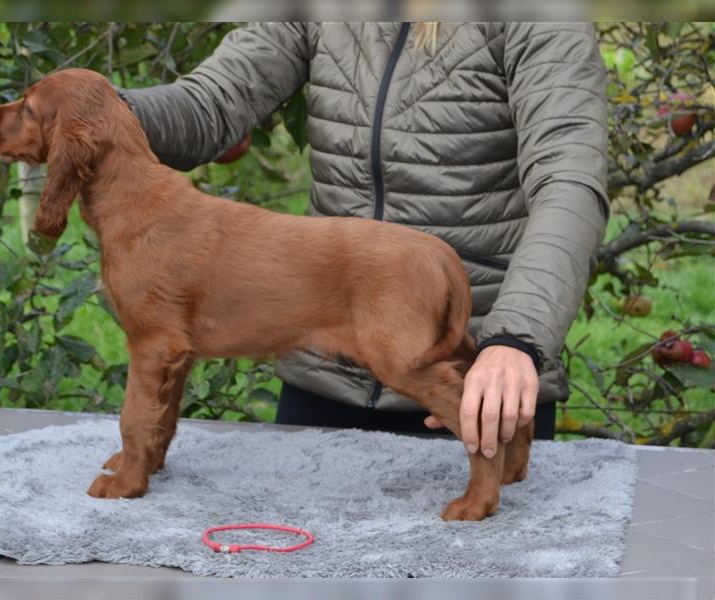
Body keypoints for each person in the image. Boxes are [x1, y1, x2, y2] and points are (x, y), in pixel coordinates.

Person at [116, 22, 609, 458]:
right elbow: (209, 105)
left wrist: (515, 339)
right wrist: (90, 109)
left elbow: (570, 186)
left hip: (474, 384)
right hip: (324, 384)